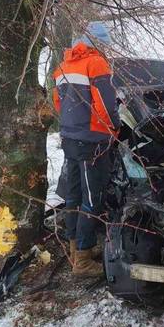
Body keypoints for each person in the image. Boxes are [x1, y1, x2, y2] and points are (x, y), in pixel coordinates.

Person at [52, 25, 120, 275]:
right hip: (92, 141)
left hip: (70, 138)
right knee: (92, 199)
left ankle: (76, 250)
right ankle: (82, 261)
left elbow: (58, 102)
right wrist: (115, 128)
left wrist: (73, 125)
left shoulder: (62, 67)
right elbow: (105, 103)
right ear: (97, 43)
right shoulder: (96, 63)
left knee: (74, 196)